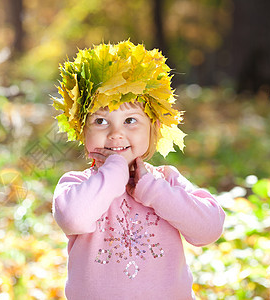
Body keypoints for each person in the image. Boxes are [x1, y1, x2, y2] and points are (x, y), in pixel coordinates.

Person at [51, 40, 225, 299]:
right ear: (81, 130)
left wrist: (154, 191)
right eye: (100, 121)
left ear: (152, 127)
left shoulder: (165, 180)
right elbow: (73, 217)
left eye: (130, 120)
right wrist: (114, 173)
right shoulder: (76, 185)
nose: (116, 133)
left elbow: (209, 229)